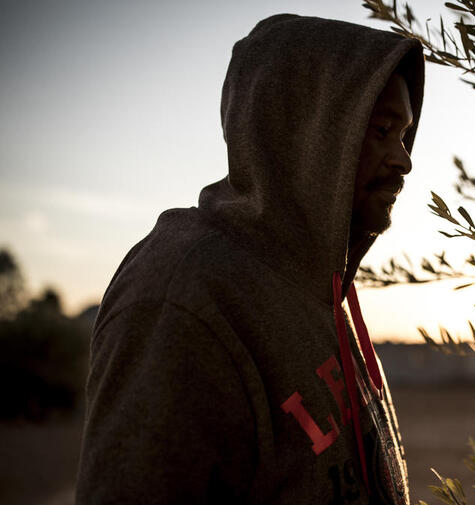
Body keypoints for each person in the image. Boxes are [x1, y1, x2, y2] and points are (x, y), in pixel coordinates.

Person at [76, 14, 424, 505]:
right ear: (304, 126)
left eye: (404, 135)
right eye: (382, 129)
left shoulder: (317, 283)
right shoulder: (181, 298)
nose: (403, 159)